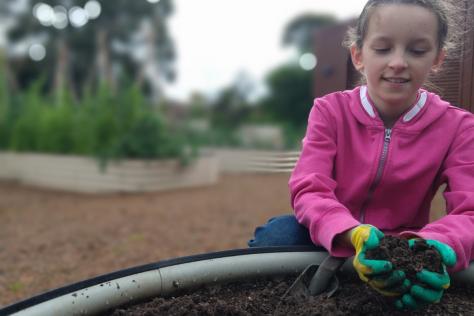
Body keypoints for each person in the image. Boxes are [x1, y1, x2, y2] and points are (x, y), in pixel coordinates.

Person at [248, 0, 474, 310]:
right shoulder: (329, 111)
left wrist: (433, 247)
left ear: (437, 59)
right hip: (335, 234)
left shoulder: (459, 126)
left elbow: (469, 212)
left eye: (417, 51)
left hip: (403, 245)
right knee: (276, 236)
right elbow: (308, 188)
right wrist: (351, 233)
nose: (398, 62)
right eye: (382, 48)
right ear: (358, 55)